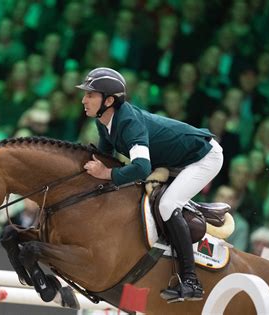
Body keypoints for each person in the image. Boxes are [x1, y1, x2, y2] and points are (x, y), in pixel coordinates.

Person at [77, 67, 224, 302]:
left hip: (204, 157)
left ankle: (190, 280)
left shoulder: (128, 122)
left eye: (90, 95)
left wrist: (106, 174)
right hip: (174, 159)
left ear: (109, 100)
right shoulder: (103, 123)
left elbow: (141, 168)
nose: (84, 100)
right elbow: (103, 158)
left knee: (167, 205)